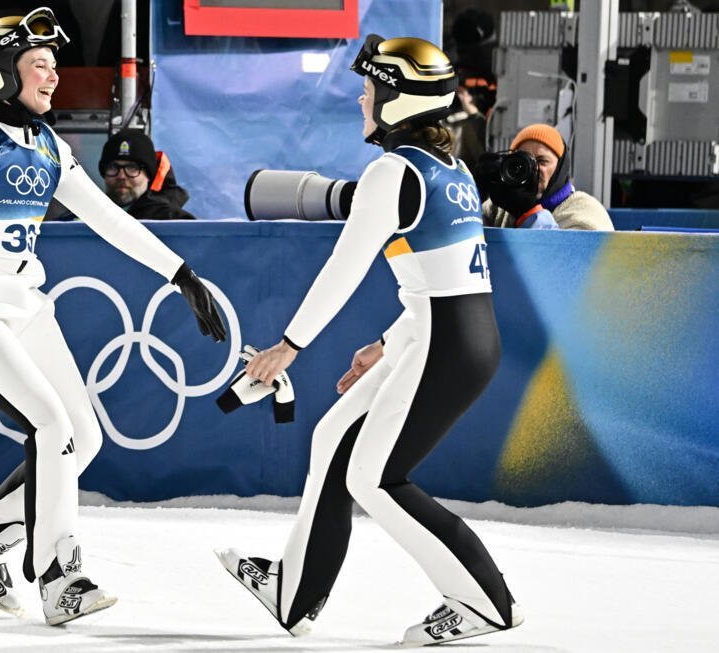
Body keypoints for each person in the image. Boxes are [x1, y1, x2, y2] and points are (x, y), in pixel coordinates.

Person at [0, 7, 225, 627]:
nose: (52, 78)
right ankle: (59, 576)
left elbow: (109, 218)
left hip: (27, 308)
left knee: (84, 438)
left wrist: (182, 274)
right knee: (49, 427)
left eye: (53, 66)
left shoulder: (49, 146)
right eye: (38, 65)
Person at [216, 35, 523, 647]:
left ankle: (485, 600)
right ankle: (295, 592)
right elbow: (444, 280)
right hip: (442, 335)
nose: (362, 100)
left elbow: (343, 268)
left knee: (376, 478)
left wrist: (288, 347)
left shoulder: (392, 172)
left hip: (441, 344)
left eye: (370, 90)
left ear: (398, 101)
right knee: (333, 438)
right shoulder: (451, 169)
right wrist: (387, 342)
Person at [482, 124, 614, 230]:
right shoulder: (499, 207)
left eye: (542, 161)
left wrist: (527, 213)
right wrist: (474, 193)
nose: (533, 169)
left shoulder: (587, 212)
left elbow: (563, 259)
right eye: (522, 162)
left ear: (560, 169)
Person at [98, 128, 197, 220]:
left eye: (132, 168)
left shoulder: (174, 221)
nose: (121, 176)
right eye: (113, 167)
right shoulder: (89, 215)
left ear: (149, 175)